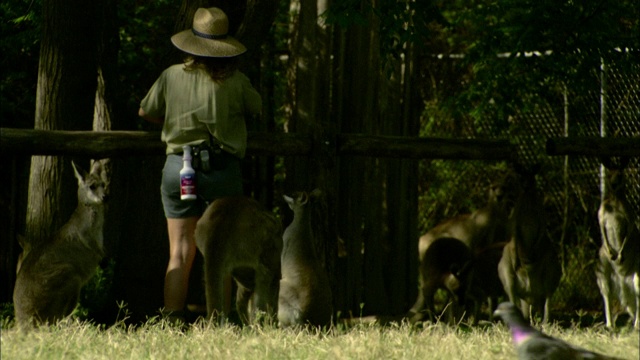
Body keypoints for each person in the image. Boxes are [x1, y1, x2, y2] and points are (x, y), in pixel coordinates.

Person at [138, 7, 262, 322]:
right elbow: (256, 109)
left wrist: (176, 121)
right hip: (221, 171)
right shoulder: (236, 81)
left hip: (178, 168)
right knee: (220, 253)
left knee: (179, 251)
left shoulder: (170, 76)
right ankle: (218, 322)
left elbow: (146, 112)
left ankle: (171, 322)